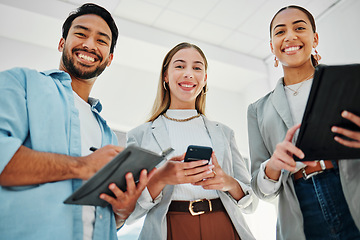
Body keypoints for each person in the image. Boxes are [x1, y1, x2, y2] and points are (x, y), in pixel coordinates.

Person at [0, 3, 152, 240]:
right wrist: (82, 165)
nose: (90, 45)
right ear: (62, 43)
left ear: (109, 58)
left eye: (102, 41)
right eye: (81, 34)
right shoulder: (22, 83)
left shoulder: (108, 136)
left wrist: (122, 211)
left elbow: (105, 217)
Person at [247, 5, 360, 240]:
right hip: (300, 206)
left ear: (315, 38)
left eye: (299, 27)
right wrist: (274, 165)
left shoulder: (349, 83)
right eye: (280, 32)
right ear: (272, 47)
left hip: (352, 191)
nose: (290, 36)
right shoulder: (258, 110)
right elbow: (261, 191)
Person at [125, 42, 258, 240]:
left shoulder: (224, 133)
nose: (189, 73)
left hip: (224, 225)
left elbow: (252, 203)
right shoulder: (140, 135)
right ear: (165, 76)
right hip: (171, 227)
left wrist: (228, 182)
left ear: (204, 79)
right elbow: (129, 212)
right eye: (179, 66)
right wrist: (161, 179)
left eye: (197, 68)